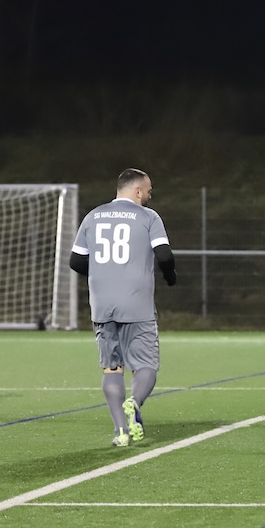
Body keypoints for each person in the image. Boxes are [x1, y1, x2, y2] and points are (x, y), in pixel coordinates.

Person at [70, 168, 177, 446]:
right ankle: (135, 402)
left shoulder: (93, 216)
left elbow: (76, 261)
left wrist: (105, 272)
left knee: (111, 368)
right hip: (136, 303)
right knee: (146, 365)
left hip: (102, 303)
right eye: (149, 191)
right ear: (138, 191)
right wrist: (170, 277)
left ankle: (120, 431)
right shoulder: (148, 217)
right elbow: (164, 256)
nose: (150, 195)